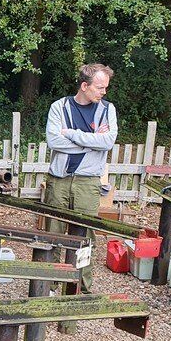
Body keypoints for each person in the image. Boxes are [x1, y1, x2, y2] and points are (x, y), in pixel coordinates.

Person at [44, 63, 118, 292]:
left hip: (88, 183)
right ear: (85, 86)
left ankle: (80, 288)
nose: (104, 92)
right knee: (53, 233)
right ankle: (49, 285)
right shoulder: (59, 107)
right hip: (59, 180)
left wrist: (72, 134)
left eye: (105, 87)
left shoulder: (107, 110)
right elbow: (54, 141)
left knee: (85, 237)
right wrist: (91, 143)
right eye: (99, 87)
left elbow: (107, 142)